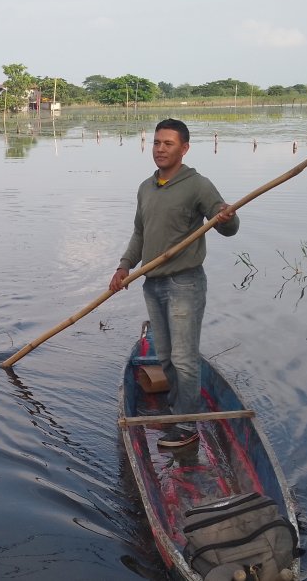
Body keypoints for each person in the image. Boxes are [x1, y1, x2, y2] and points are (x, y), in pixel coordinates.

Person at [109, 119, 239, 450]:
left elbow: (228, 226)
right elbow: (140, 232)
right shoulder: (146, 187)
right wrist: (124, 266)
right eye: (156, 143)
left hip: (185, 283)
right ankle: (179, 411)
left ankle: (186, 424)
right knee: (166, 357)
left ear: (184, 149)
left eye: (168, 143)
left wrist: (226, 215)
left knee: (184, 359)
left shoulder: (198, 185)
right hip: (152, 283)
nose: (160, 149)